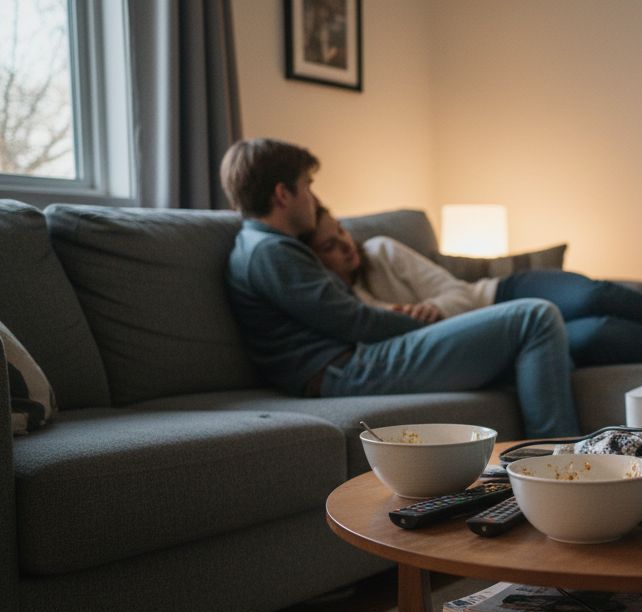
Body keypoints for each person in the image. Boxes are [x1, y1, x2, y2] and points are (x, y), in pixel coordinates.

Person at [220, 138, 580, 438]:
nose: (313, 199)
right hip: (348, 369)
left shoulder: (264, 247)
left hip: (349, 364)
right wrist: (430, 327)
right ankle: (556, 469)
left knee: (546, 344)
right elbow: (354, 322)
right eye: (308, 187)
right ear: (283, 194)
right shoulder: (269, 252)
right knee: (534, 316)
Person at [302, 204, 642, 366]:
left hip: (498, 295)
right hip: (502, 336)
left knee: (595, 294)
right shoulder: (342, 306)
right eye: (330, 245)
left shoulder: (384, 251)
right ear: (318, 262)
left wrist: (430, 311)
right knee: (602, 331)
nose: (346, 246)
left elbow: (457, 291)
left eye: (342, 232)